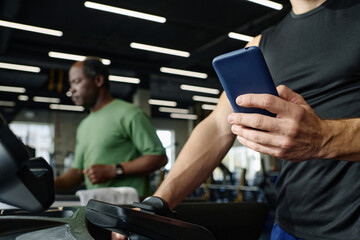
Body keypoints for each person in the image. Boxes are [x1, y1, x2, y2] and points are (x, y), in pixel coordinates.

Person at [113, 0, 360, 239]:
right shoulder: (262, 45)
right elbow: (218, 127)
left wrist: (324, 138)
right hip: (289, 227)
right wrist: (157, 203)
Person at [54, 58, 167, 199]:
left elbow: (159, 157)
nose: (71, 89)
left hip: (131, 209)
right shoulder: (84, 125)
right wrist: (47, 185)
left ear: (98, 81)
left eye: (77, 82)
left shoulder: (130, 114)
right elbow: (77, 172)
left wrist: (113, 170)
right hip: (96, 207)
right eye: (71, 84)